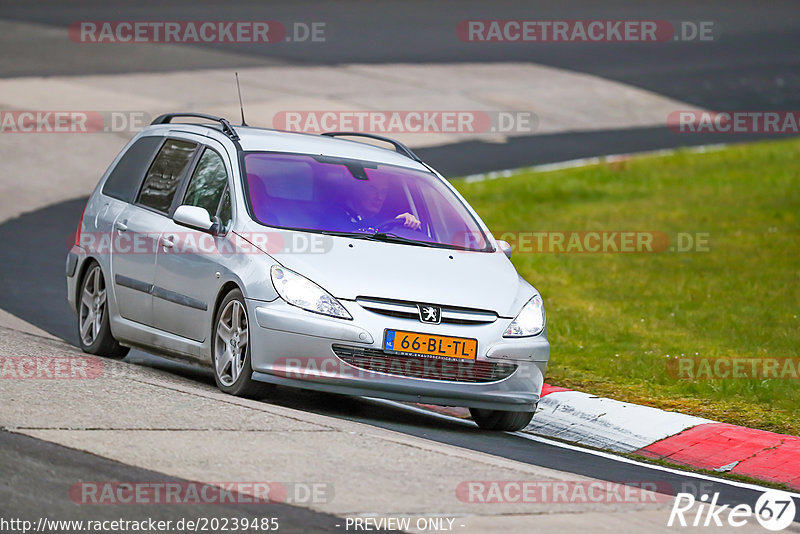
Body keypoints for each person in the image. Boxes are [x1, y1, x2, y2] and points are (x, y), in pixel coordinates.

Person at [340, 175, 421, 232]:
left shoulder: (379, 219)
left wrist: (400, 223)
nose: (379, 197)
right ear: (357, 189)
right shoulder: (333, 216)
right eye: (372, 189)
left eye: (383, 192)